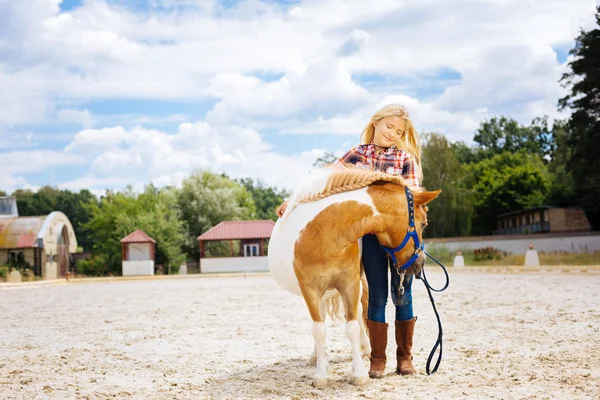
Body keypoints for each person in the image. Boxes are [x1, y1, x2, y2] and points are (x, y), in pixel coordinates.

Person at [276, 104, 423, 379]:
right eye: (389, 126)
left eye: (399, 131)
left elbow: (412, 198)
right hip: (369, 238)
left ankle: (405, 359)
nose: (393, 133)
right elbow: (326, 181)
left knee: (403, 297)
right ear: (376, 123)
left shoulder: (405, 160)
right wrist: (294, 199)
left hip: (397, 237)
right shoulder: (357, 154)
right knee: (376, 296)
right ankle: (377, 360)